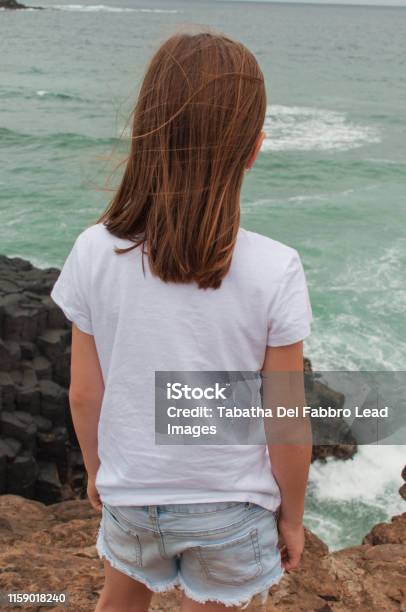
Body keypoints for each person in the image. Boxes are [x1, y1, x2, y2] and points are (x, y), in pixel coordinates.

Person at [50, 29, 313, 612]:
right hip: (232, 509)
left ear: (148, 132)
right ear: (254, 148)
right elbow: (286, 420)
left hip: (132, 498)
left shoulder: (94, 251)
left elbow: (84, 394)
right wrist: (292, 517)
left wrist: (98, 473)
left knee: (119, 598)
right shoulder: (276, 268)